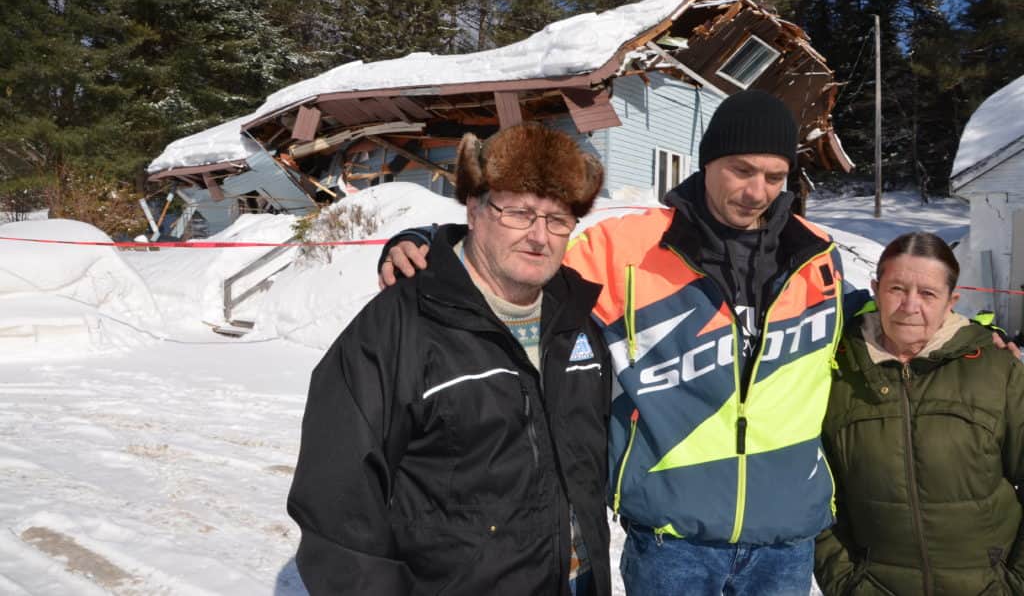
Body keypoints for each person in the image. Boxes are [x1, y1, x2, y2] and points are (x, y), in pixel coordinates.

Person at [381, 89, 846, 594]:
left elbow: (892, 318)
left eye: (774, 177)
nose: (757, 191)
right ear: (707, 162)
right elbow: (524, 261)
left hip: (785, 545)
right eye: (741, 170)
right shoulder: (624, 249)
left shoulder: (818, 257)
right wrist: (433, 242)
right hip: (673, 545)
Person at [287, 122, 613, 596]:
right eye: (519, 212)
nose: (540, 236)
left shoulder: (576, 320)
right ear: (475, 209)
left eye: (558, 218)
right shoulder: (398, 326)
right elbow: (339, 505)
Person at [814, 232, 1024, 596]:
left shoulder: (996, 369)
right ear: (876, 289)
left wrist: (1014, 581)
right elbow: (810, 487)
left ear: (951, 300)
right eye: (897, 289)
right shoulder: (835, 367)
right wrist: (845, 579)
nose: (910, 306)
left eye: (928, 294)